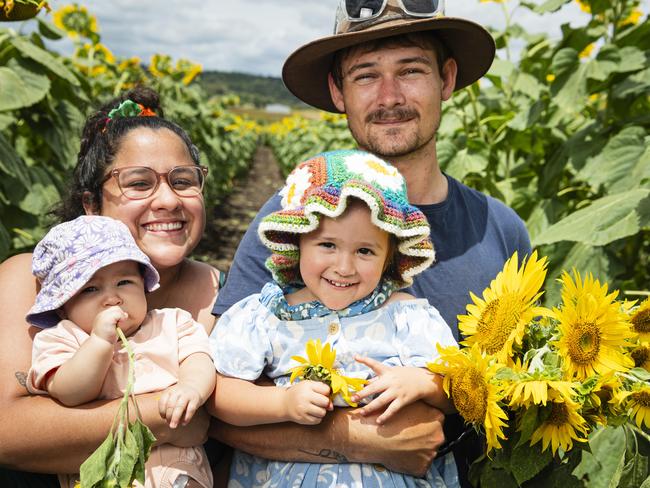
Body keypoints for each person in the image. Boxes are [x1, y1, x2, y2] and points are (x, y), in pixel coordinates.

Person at [211, 1, 531, 485]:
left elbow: (519, 392)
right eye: (365, 76)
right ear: (338, 92)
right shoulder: (293, 217)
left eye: (410, 70)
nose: (389, 96)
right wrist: (358, 440)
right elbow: (214, 408)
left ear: (446, 80)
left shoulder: (501, 230)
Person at [0, 87, 223, 487]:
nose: (169, 200)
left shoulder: (217, 290)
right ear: (90, 204)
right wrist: (171, 421)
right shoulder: (27, 280)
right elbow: (8, 433)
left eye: (183, 180)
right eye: (139, 183)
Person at [210, 150, 459, 487]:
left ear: (389, 258)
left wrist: (421, 382)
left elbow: (458, 390)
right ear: (298, 242)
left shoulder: (404, 314)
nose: (344, 267)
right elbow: (221, 392)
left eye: (365, 251)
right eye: (327, 245)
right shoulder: (269, 314)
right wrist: (281, 403)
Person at [26, 215, 216, 488]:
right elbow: (69, 392)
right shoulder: (62, 339)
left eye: (124, 282)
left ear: (144, 286)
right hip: (104, 471)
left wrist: (191, 387)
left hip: (175, 466)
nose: (112, 298)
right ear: (63, 306)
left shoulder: (171, 323)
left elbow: (198, 358)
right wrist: (100, 343)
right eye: (90, 289)